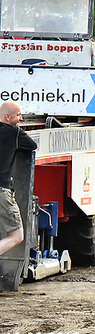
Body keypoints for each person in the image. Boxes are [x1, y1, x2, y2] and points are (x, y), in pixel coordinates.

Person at [0, 102, 37, 257]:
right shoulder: (13, 132)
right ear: (7, 117)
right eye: (18, 115)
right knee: (17, 235)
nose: (21, 119)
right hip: (2, 189)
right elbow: (32, 145)